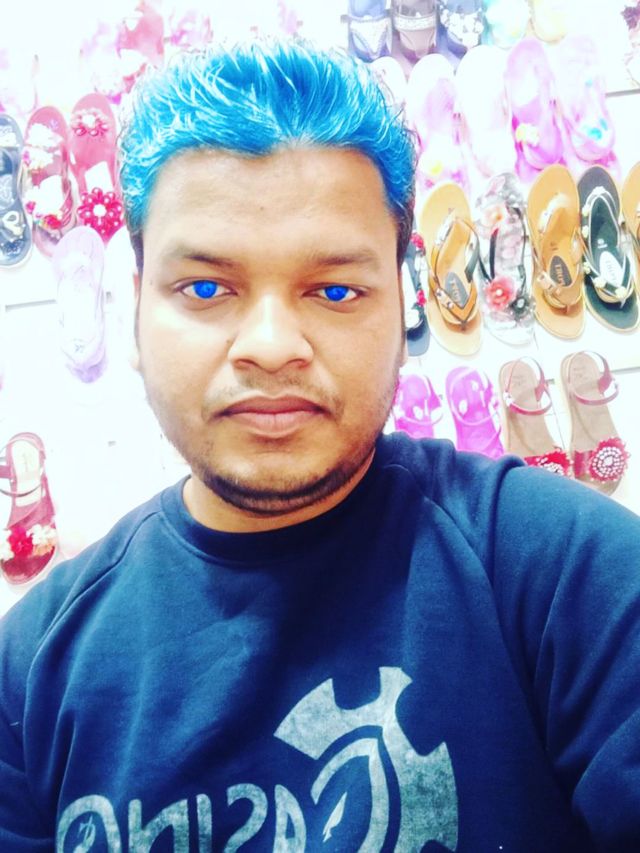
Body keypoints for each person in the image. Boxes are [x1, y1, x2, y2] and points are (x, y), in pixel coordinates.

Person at [0, 40, 639, 853]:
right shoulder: (31, 672)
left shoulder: (565, 576)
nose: (271, 346)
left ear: (402, 302)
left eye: (335, 289)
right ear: (134, 309)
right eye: (206, 288)